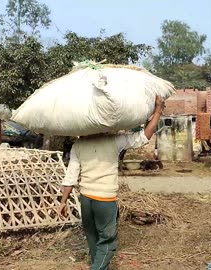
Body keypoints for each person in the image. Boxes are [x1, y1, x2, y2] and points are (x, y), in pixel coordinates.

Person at [58, 96, 165, 270]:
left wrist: (63, 201)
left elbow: (70, 176)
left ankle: (98, 266)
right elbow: (145, 135)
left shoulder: (79, 144)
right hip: (105, 200)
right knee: (107, 242)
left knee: (93, 239)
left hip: (85, 199)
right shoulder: (115, 140)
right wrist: (158, 110)